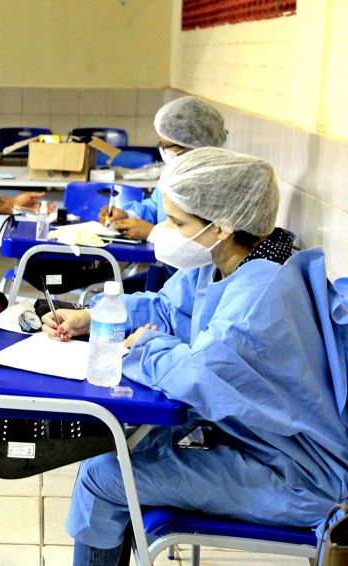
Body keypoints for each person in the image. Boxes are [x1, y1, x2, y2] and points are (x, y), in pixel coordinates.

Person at [42, 148, 348, 566]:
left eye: (178, 222)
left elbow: (200, 375)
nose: (166, 231)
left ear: (221, 225)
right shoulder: (233, 260)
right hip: (255, 444)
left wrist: (143, 347)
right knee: (109, 458)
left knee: (105, 477)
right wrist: (94, 318)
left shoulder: (260, 297)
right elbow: (171, 309)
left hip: (296, 479)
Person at [99, 96, 228, 292]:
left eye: (166, 145)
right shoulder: (175, 171)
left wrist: (152, 233)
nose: (162, 151)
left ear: (194, 143)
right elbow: (156, 206)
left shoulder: (214, 183)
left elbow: (200, 247)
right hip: (169, 275)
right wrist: (128, 216)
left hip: (195, 280)